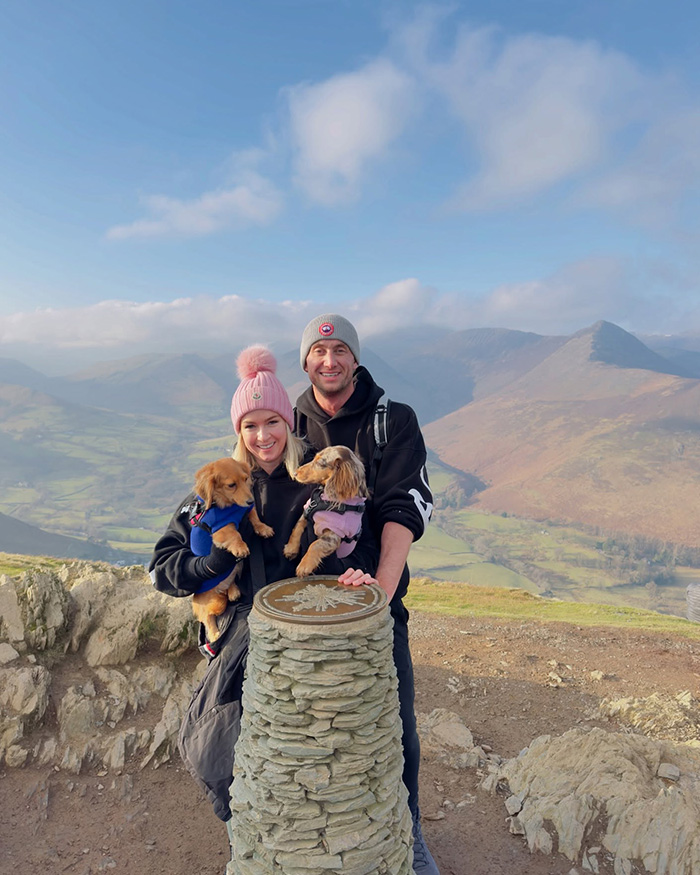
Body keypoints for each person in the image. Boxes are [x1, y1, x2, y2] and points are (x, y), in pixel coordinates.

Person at [149, 345, 378, 866]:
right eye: (250, 425)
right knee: (222, 748)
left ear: (287, 421)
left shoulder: (316, 480)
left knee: (313, 762)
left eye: (272, 421)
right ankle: (251, 847)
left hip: (308, 646)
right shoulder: (214, 485)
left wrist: (356, 568)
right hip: (238, 634)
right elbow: (163, 566)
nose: (262, 436)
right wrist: (207, 568)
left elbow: (354, 538)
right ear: (239, 430)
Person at [295, 313, 439, 875]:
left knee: (393, 720)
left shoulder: (392, 421)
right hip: (301, 606)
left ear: (354, 358)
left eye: (339, 352)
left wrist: (380, 590)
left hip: (374, 604)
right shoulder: (291, 423)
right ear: (305, 360)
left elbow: (404, 505)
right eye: (318, 352)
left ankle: (408, 830)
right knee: (304, 722)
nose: (329, 362)